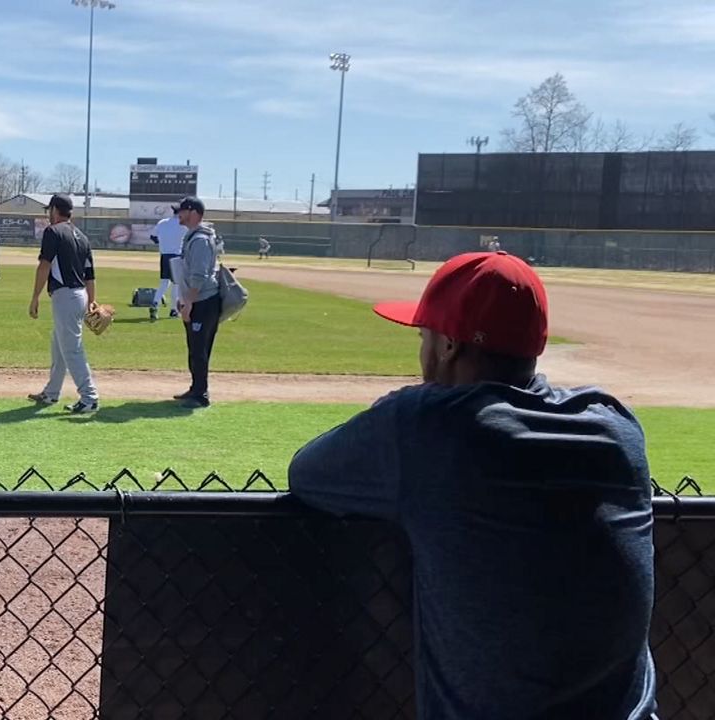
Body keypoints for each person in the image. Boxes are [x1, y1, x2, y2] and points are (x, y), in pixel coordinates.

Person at [289, 251, 656, 720]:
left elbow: (306, 473)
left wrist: (408, 405)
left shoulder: (426, 428)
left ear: (447, 348)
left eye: (424, 337)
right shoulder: (616, 427)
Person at [27, 193, 99, 414]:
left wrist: (35, 296)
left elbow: (44, 266)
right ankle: (51, 393)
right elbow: (90, 274)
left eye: (50, 209)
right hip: (80, 295)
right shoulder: (82, 237)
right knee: (59, 346)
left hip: (66, 296)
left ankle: (89, 397)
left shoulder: (53, 231)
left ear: (55, 210)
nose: (49, 214)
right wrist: (92, 300)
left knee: (71, 349)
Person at [174, 197, 222, 408]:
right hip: (197, 300)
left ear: (193, 212)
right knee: (195, 348)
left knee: (200, 349)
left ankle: (201, 394)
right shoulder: (193, 237)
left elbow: (199, 275)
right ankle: (195, 388)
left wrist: (189, 303)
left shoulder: (200, 240)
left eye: (182, 211)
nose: (179, 215)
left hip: (203, 301)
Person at [149, 206, 187, 321]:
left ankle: (155, 303)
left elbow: (153, 237)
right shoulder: (183, 225)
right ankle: (173, 310)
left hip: (164, 255)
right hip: (177, 255)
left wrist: (164, 242)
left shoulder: (163, 222)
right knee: (176, 284)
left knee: (164, 283)